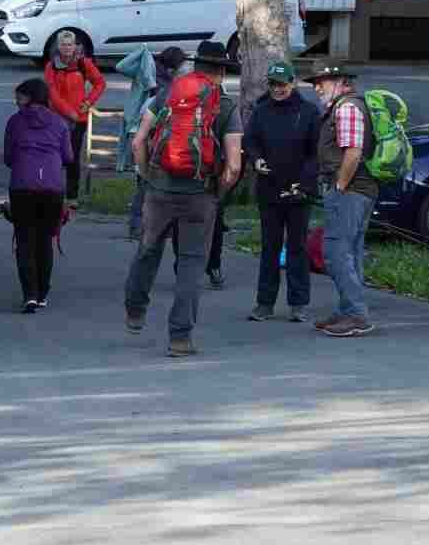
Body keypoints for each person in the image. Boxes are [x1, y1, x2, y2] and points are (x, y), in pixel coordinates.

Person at [123, 41, 243, 357]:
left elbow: (137, 141)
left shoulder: (168, 95)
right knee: (191, 264)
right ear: (221, 72)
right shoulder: (226, 106)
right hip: (200, 195)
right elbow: (234, 165)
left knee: (148, 250)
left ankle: (135, 309)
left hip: (159, 191)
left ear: (196, 66)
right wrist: (219, 192)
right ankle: (180, 338)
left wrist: (148, 176)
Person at [243, 60, 321, 321]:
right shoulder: (261, 111)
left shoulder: (309, 112)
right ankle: (264, 303)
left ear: (293, 83)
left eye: (283, 84)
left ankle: (299, 304)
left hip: (299, 191)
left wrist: (305, 182)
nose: (278, 89)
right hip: (269, 189)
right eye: (274, 84)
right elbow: (250, 141)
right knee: (270, 247)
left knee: (297, 247)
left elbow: (315, 153)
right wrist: (256, 160)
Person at [308, 64, 379, 337]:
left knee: (335, 250)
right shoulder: (346, 106)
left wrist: (339, 185)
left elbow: (353, 152)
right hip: (359, 190)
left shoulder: (347, 108)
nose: (317, 87)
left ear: (341, 82)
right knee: (350, 251)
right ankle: (348, 309)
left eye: (322, 82)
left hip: (350, 191)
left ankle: (356, 314)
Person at [3, 77, 76, 313]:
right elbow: (68, 157)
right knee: (45, 239)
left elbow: (8, 157)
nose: (16, 101)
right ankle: (43, 293)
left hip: (22, 186)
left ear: (30, 97)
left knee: (24, 240)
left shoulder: (15, 122)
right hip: (52, 187)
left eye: (20, 96)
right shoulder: (60, 123)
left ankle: (30, 295)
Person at [118, 46, 186, 239]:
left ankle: (140, 226)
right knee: (147, 187)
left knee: (146, 186)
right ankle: (142, 226)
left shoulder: (153, 79)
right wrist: (140, 51)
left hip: (144, 134)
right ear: (174, 69)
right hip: (148, 138)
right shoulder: (158, 87)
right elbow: (120, 65)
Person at [44, 30, 106, 200]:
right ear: (58, 46)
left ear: (74, 46)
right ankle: (52, 192)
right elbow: (52, 93)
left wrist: (88, 102)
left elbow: (100, 83)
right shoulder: (51, 66)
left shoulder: (83, 63)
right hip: (57, 117)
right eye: (63, 44)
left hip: (79, 119)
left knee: (72, 157)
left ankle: (72, 197)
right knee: (54, 156)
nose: (66, 48)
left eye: (69, 44)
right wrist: (68, 112)